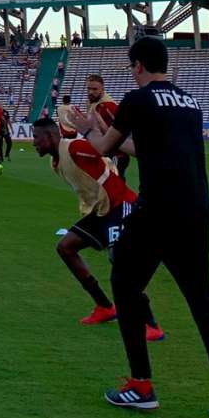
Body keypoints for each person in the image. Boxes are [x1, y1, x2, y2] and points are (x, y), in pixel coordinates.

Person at [69, 36, 209, 418]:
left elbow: (103, 149)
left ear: (138, 66)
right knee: (203, 301)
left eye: (132, 66)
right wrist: (101, 130)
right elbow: (148, 149)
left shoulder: (137, 99)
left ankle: (141, 386)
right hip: (196, 213)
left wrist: (84, 129)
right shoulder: (190, 104)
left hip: (157, 211)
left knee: (125, 285)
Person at [31, 118, 163, 339]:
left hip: (120, 204)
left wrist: (100, 133)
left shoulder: (74, 147)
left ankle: (150, 324)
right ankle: (104, 307)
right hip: (101, 211)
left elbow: (104, 150)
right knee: (66, 247)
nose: (33, 142)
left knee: (120, 261)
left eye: (36, 137)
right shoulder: (54, 162)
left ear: (50, 136)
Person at [86, 74, 130, 179]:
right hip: (105, 153)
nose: (91, 92)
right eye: (88, 88)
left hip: (116, 155)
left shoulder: (108, 106)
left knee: (114, 188)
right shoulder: (92, 103)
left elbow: (122, 129)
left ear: (102, 89)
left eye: (95, 89)